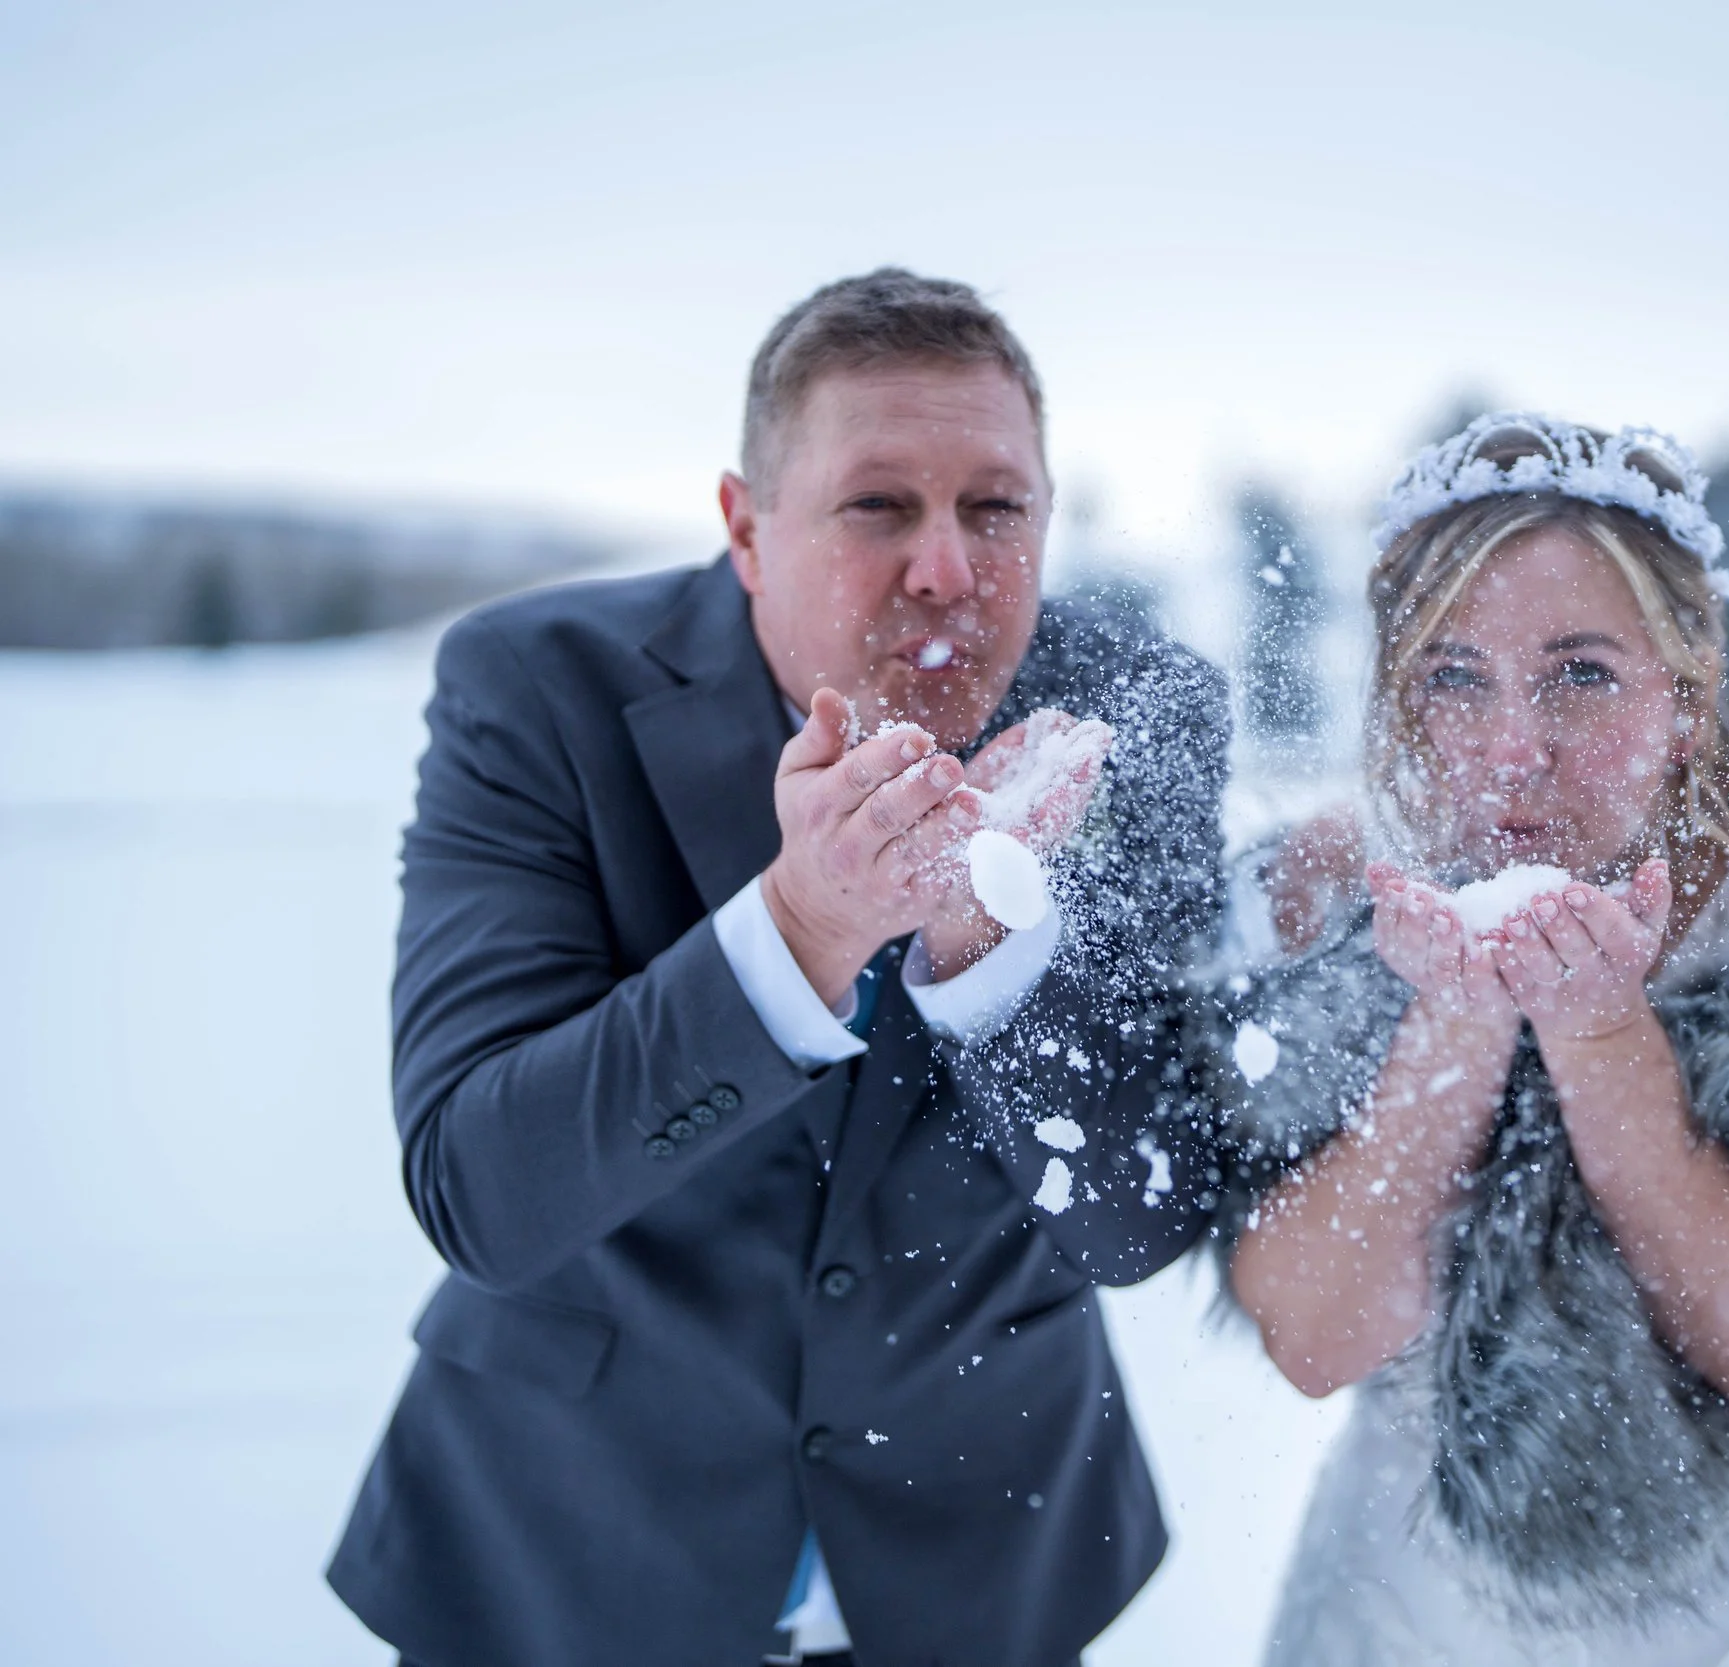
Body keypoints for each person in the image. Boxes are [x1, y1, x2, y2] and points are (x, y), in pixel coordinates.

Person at [326, 269, 1228, 1667]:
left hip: (987, 1568)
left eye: (996, 507)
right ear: (748, 529)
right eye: (879, 506)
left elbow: (1136, 1213)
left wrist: (983, 948)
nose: (948, 567)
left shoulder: (1130, 710)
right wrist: (804, 929)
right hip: (563, 1557)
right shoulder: (537, 687)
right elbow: (482, 1188)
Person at [1213, 415, 1729, 1664]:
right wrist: (1455, 1021)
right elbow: (1314, 1336)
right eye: (1454, 676)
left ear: (1686, 695)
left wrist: (1600, 1035)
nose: (1513, 749)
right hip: (1432, 1603)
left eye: (1583, 672)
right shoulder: (1340, 888)